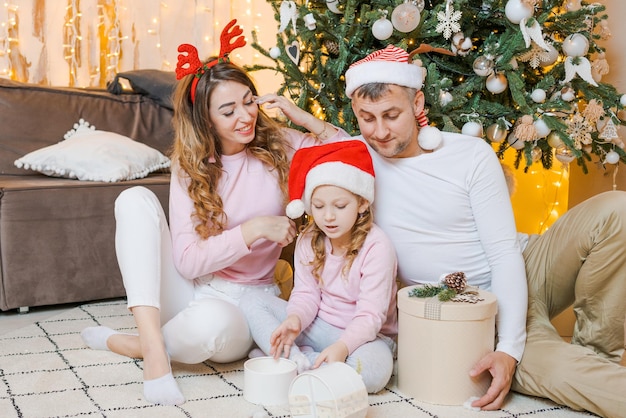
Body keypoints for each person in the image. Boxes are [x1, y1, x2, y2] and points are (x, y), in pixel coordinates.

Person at [342, 44, 626, 417]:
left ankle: (599, 351)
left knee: (617, 210)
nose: (379, 131)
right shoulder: (350, 161)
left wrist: (510, 347)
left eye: (391, 115)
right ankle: (583, 367)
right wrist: (504, 349)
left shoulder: (469, 154)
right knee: (570, 376)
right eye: (367, 118)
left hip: (527, 264)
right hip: (471, 311)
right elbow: (292, 145)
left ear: (417, 103)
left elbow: (504, 253)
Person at [79, 19, 348, 406]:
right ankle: (154, 352)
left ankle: (133, 343)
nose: (245, 116)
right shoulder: (189, 164)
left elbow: (345, 153)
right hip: (191, 285)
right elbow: (187, 262)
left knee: (211, 331)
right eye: (228, 110)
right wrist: (253, 229)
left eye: (248, 100)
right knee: (133, 200)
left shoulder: (279, 145)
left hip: (248, 303)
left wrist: (301, 118)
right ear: (206, 119)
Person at [241, 140, 399, 393]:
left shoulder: (377, 246)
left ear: (362, 203)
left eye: (339, 206)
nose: (328, 217)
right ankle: (298, 357)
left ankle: (298, 361)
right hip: (318, 325)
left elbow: (371, 316)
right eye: (318, 206)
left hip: (365, 338)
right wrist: (295, 319)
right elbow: (306, 294)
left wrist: (343, 347)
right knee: (250, 300)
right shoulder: (308, 239)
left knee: (373, 374)